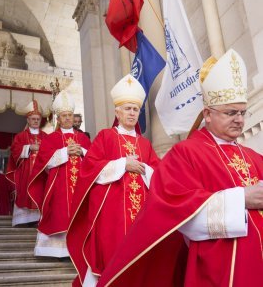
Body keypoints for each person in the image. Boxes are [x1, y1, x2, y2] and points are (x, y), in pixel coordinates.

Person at [97, 49, 263, 287]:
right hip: (219, 270)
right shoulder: (185, 154)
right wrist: (241, 198)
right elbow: (178, 214)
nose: (239, 119)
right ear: (207, 113)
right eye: (230, 112)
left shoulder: (254, 156)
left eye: (242, 113)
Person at [66, 74, 159, 286]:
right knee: (112, 258)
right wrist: (121, 165)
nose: (132, 113)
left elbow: (159, 172)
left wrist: (145, 170)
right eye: (127, 108)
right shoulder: (106, 136)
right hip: (112, 214)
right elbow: (89, 167)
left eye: (135, 109)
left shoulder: (145, 144)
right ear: (117, 111)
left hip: (142, 213)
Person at [28, 90, 91, 258]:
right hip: (59, 186)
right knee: (59, 215)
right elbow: (43, 162)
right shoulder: (51, 138)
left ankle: (79, 250)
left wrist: (82, 151)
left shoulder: (83, 138)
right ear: (58, 118)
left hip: (81, 186)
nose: (68, 118)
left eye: (70, 115)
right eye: (64, 116)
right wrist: (64, 152)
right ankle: (58, 251)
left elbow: (94, 159)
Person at [6, 100, 47, 227]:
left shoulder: (46, 136)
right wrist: (29, 148)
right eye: (33, 119)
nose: (35, 121)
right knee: (24, 194)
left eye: (38, 119)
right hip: (25, 173)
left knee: (40, 194)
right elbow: (14, 151)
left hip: (41, 174)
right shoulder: (21, 136)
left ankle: (37, 220)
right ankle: (22, 221)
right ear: (28, 120)